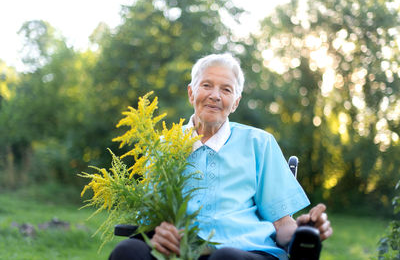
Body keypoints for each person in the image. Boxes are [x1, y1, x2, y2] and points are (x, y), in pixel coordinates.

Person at [109, 53, 332, 260]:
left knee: (225, 258)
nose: (215, 96)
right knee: (128, 251)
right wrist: (157, 230)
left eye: (226, 90)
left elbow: (282, 224)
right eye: (206, 85)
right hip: (180, 251)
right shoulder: (162, 147)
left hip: (245, 252)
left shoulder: (259, 143)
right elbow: (149, 219)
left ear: (235, 102)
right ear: (191, 93)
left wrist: (304, 232)